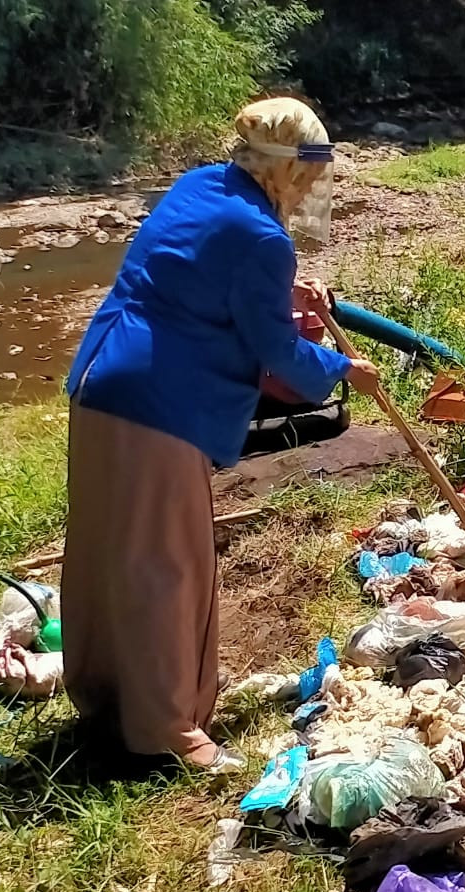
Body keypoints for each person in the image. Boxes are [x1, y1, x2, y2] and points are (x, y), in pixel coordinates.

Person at [62, 97, 379, 774]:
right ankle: (167, 730)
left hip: (102, 381)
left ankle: (105, 696)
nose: (312, 189)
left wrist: (287, 297)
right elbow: (278, 352)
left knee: (105, 551)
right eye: (310, 173)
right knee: (166, 565)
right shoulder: (264, 239)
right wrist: (345, 368)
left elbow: (197, 282)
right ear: (287, 169)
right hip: (156, 404)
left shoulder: (200, 185)